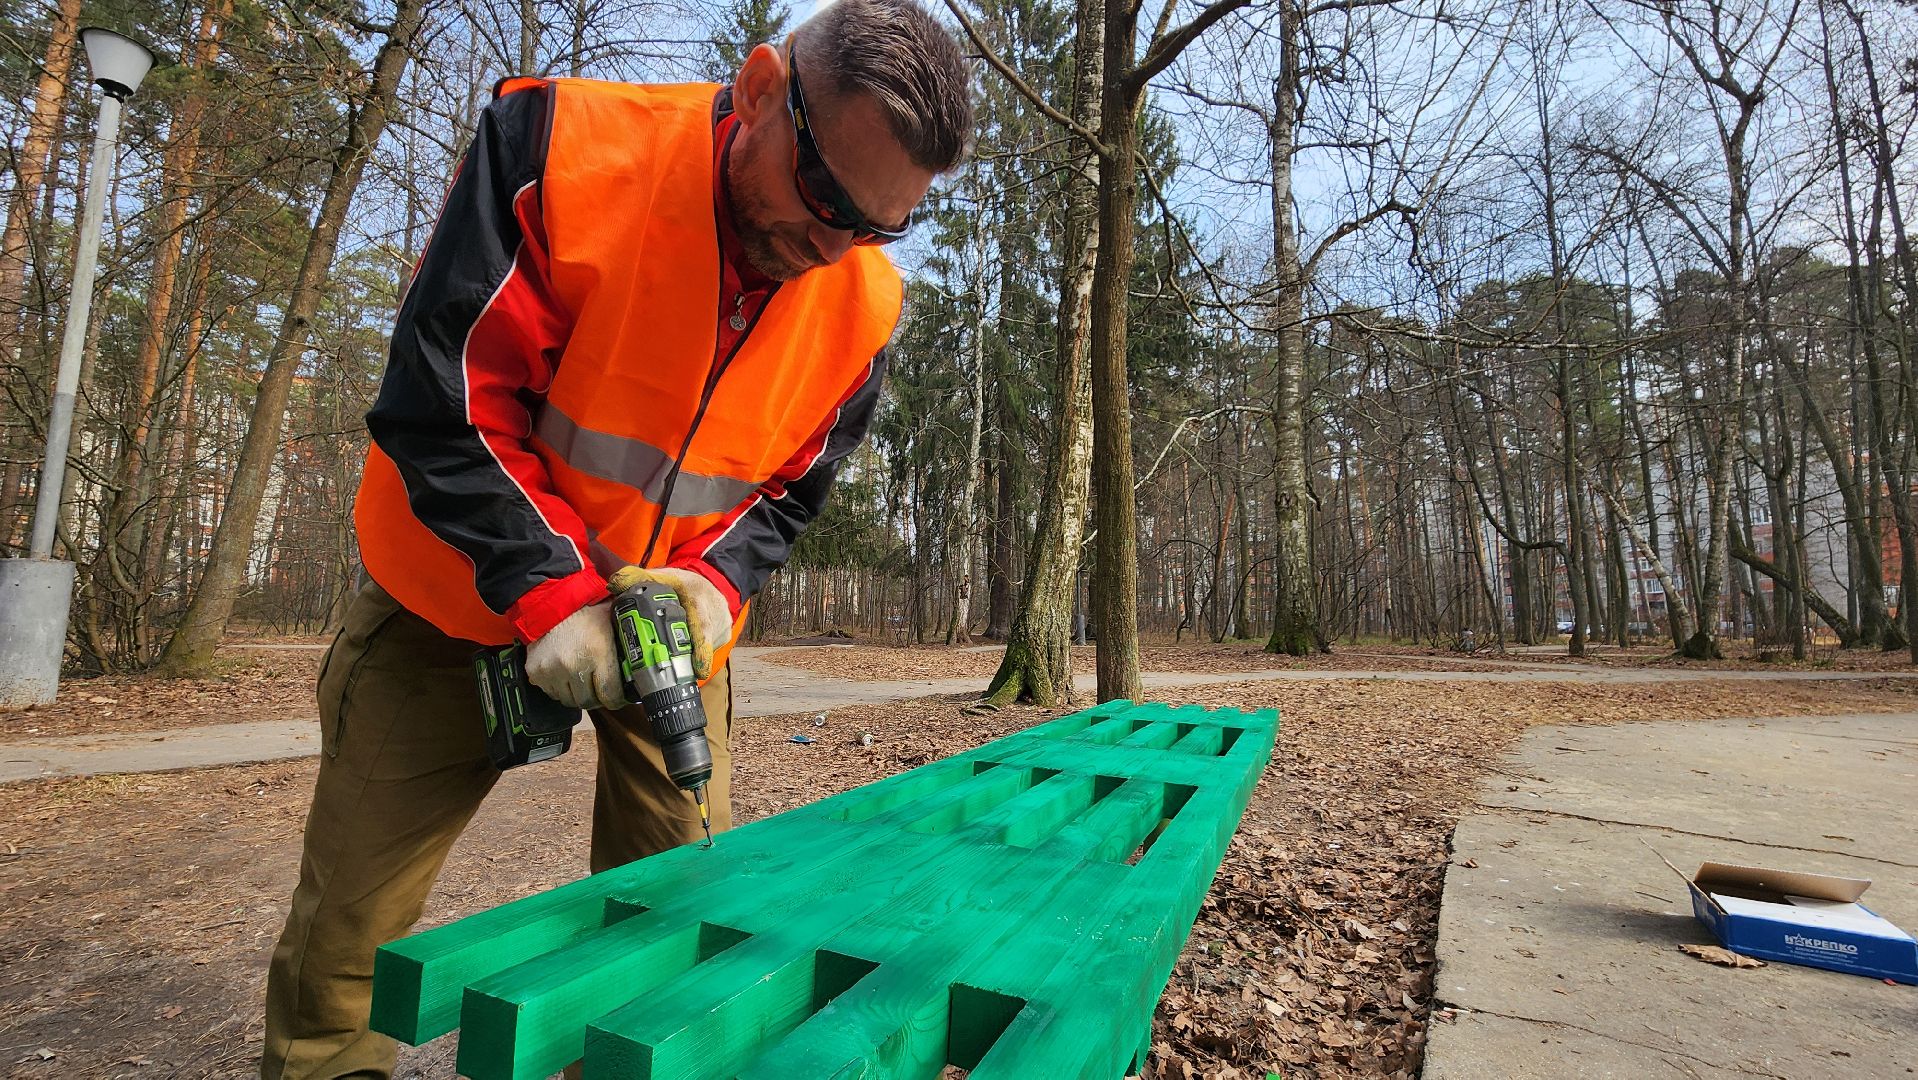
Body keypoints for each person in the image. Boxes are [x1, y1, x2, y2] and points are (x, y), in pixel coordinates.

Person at [261, 2, 972, 1074]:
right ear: (764, 89)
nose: (833, 246)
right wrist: (552, 593)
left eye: (876, 226)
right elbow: (443, 400)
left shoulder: (860, 305)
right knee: (348, 946)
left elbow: (786, 493)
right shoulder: (561, 151)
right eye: (824, 196)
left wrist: (713, 591)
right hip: (450, 598)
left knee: (679, 934)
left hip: (666, 635)